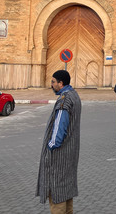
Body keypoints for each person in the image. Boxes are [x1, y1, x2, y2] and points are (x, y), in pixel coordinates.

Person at [36, 70, 82, 213]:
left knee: (57, 191)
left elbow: (59, 127)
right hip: (70, 152)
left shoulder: (64, 100)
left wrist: (51, 146)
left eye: (53, 82)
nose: (51, 84)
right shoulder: (74, 95)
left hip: (59, 154)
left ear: (61, 83)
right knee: (66, 190)